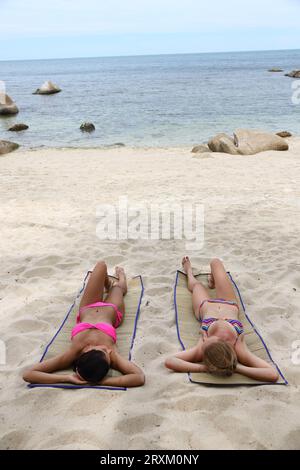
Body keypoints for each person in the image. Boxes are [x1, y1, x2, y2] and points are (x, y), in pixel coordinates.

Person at [23, 261, 145, 387]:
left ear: (85, 351)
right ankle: (121, 277)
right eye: (105, 351)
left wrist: (66, 378)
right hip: (113, 310)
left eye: (101, 350)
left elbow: (28, 374)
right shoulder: (112, 354)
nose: (106, 349)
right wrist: (104, 382)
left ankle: (108, 284)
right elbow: (139, 377)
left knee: (101, 266)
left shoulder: (72, 353)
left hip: (88, 306)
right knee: (118, 288)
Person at [165, 257, 279, 382]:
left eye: (205, 340)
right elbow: (272, 374)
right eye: (208, 340)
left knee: (196, 285)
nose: (204, 338)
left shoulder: (202, 349)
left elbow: (170, 361)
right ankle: (212, 281)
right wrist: (236, 368)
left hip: (204, 305)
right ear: (222, 342)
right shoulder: (239, 348)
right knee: (215, 262)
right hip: (228, 303)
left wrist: (202, 368)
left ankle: (189, 271)